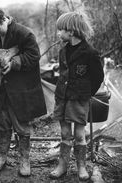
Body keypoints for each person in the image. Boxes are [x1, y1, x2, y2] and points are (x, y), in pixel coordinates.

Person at [0, 6, 47, 177]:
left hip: (22, 89)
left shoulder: (24, 34)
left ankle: (25, 159)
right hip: (1, 90)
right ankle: (1, 156)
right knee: (2, 123)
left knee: (22, 126)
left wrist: (14, 63)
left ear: (3, 19)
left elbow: (33, 56)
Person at [49, 11, 104, 181]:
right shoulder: (63, 51)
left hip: (79, 99)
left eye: (61, 30)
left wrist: (87, 94)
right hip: (62, 97)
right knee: (65, 133)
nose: (59, 33)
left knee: (79, 135)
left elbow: (98, 77)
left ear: (71, 31)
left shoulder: (90, 52)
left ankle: (81, 166)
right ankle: (63, 165)